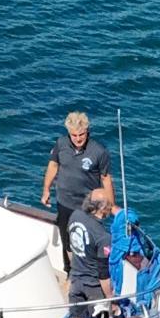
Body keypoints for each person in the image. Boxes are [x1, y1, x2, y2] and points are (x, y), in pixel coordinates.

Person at [41, 110, 115, 261]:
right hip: (64, 202)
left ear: (87, 132)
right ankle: (70, 272)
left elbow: (106, 179)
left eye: (81, 134)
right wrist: (46, 190)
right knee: (67, 240)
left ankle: (90, 271)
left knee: (86, 241)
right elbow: (53, 165)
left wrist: (111, 205)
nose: (78, 139)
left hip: (87, 206)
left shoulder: (99, 152)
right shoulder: (61, 144)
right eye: (74, 135)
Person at [65, 187, 115, 318]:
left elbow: (69, 247)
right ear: (103, 208)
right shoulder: (103, 237)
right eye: (109, 204)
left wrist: (73, 271)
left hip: (75, 281)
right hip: (93, 287)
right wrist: (111, 299)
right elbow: (103, 274)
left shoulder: (75, 216)